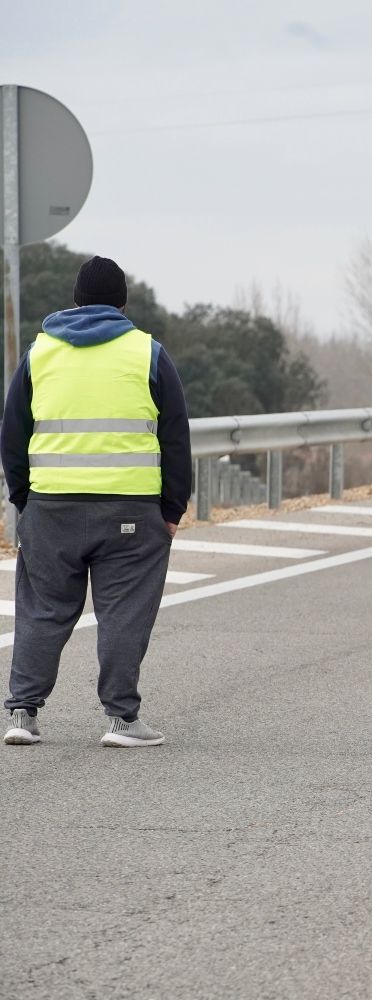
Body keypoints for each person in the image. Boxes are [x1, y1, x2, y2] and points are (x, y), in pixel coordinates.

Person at [2, 256, 191, 748]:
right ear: (124, 304)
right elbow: (175, 436)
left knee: (42, 610)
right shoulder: (147, 353)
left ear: (75, 301)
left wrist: (24, 501)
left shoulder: (39, 354)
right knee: (124, 611)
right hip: (131, 511)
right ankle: (122, 721)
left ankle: (22, 714)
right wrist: (172, 509)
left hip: (51, 510)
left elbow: (12, 434)